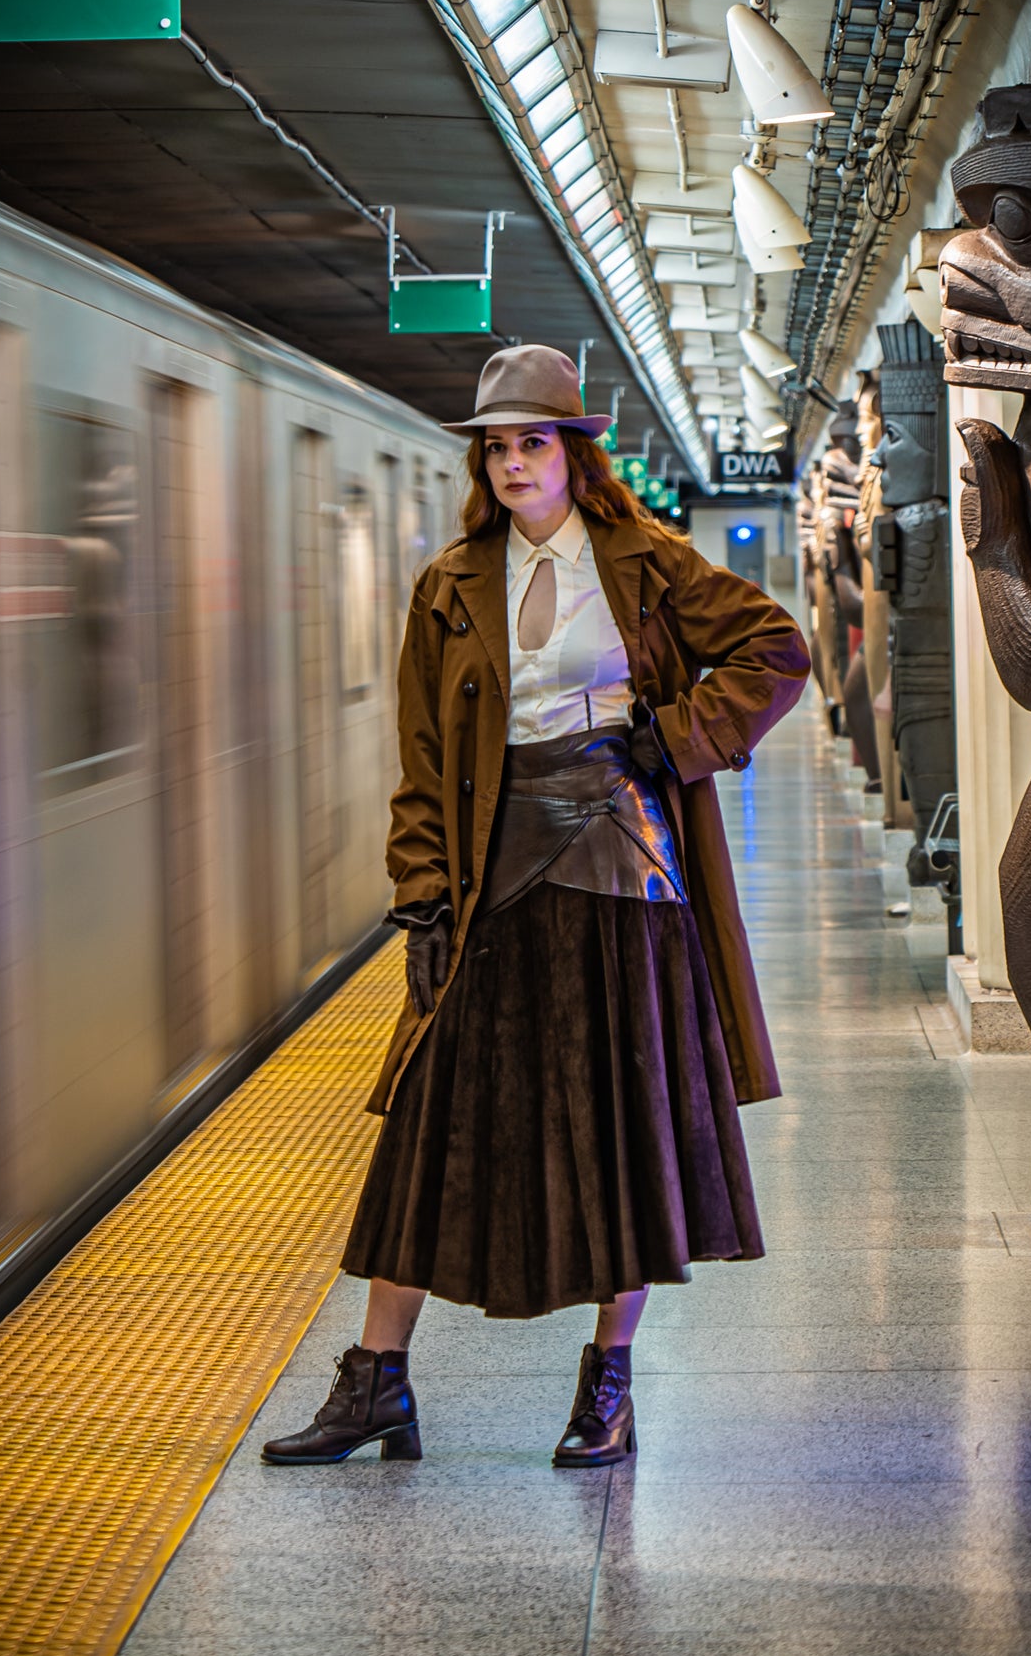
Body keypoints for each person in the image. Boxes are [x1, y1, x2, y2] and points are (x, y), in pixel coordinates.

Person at [264, 346, 809, 1469]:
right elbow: (420, 759)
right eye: (497, 447)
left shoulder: (647, 561)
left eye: (532, 442)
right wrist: (418, 897)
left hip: (623, 871)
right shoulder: (449, 583)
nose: (513, 463)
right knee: (430, 1129)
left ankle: (605, 1388)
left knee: (622, 1121)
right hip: (485, 877)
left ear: (573, 452)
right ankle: (376, 1385)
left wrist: (670, 739)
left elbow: (775, 650)